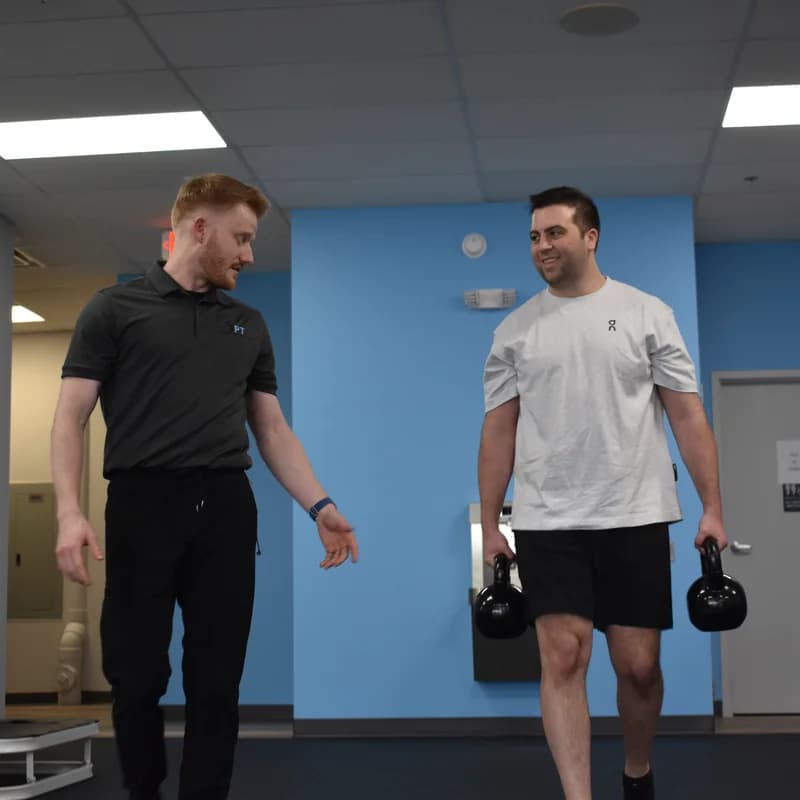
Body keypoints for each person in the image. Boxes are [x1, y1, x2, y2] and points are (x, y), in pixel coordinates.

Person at [51, 173, 359, 800]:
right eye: (241, 239)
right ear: (200, 228)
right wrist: (67, 512)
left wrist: (319, 505)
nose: (249, 254)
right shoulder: (113, 310)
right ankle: (144, 789)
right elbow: (69, 417)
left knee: (216, 680)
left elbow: (271, 429)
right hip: (141, 503)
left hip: (223, 508)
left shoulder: (247, 324)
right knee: (136, 676)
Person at [477, 186, 727, 800]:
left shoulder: (644, 314)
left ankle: (636, 771)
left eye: (554, 232)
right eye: (535, 236)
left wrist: (713, 508)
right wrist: (491, 525)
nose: (542, 246)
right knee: (563, 659)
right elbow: (498, 430)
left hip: (636, 514)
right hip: (548, 519)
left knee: (638, 670)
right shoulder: (516, 330)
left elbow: (688, 417)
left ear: (590, 237)